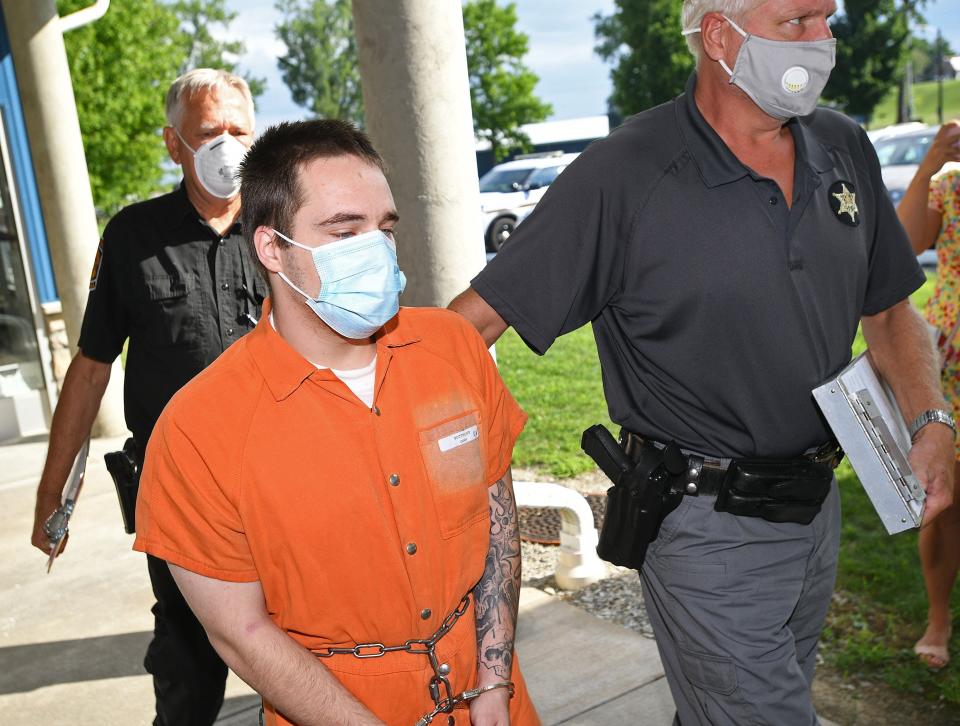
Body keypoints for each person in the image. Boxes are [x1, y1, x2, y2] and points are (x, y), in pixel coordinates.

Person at [450, 0, 955, 723]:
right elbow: (473, 322)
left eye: (828, 20)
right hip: (705, 526)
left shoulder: (844, 146)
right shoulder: (624, 173)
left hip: (819, 507)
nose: (824, 43)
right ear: (721, 35)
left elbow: (889, 308)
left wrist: (929, 419)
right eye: (798, 23)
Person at [132, 119, 541, 726]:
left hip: (492, 700)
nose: (375, 248)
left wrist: (492, 684)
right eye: (345, 231)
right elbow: (240, 631)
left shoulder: (452, 347)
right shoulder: (197, 431)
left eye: (384, 228)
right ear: (272, 248)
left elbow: (498, 525)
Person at [30, 69, 265, 725]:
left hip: (285, 485)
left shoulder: (289, 226)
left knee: (309, 654)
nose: (226, 146)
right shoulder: (134, 236)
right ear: (174, 144)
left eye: (238, 130)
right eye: (207, 133)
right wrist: (54, 494)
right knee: (188, 671)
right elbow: (91, 366)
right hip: (181, 495)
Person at [895, 119, 960, 671]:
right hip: (955, 361)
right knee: (948, 502)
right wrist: (933, 160)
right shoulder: (953, 182)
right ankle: (939, 618)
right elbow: (904, 243)